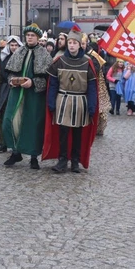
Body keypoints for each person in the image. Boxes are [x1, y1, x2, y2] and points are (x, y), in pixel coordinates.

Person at [43, 29, 98, 173]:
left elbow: (92, 87)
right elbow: (53, 83)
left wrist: (92, 106)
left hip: (80, 102)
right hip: (63, 100)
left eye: (75, 43)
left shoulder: (87, 62)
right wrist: (51, 102)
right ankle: (62, 161)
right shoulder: (59, 61)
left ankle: (75, 161)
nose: (72, 45)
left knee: (78, 134)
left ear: (80, 45)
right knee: (62, 132)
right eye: (70, 43)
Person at [1, 24, 52, 169]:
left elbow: (48, 79)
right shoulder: (19, 52)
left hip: (34, 96)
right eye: (28, 35)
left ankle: (34, 156)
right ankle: (15, 152)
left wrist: (33, 82)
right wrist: (12, 80)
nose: (30, 38)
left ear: (37, 38)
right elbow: (10, 72)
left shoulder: (44, 54)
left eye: (32, 36)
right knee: (10, 121)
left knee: (33, 124)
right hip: (17, 93)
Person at [0, 35, 22, 153]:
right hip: (5, 89)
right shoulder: (3, 58)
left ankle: (16, 143)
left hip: (18, 89)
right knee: (1, 116)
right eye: (12, 45)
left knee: (16, 118)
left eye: (16, 45)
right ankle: (3, 142)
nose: (14, 47)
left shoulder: (22, 57)